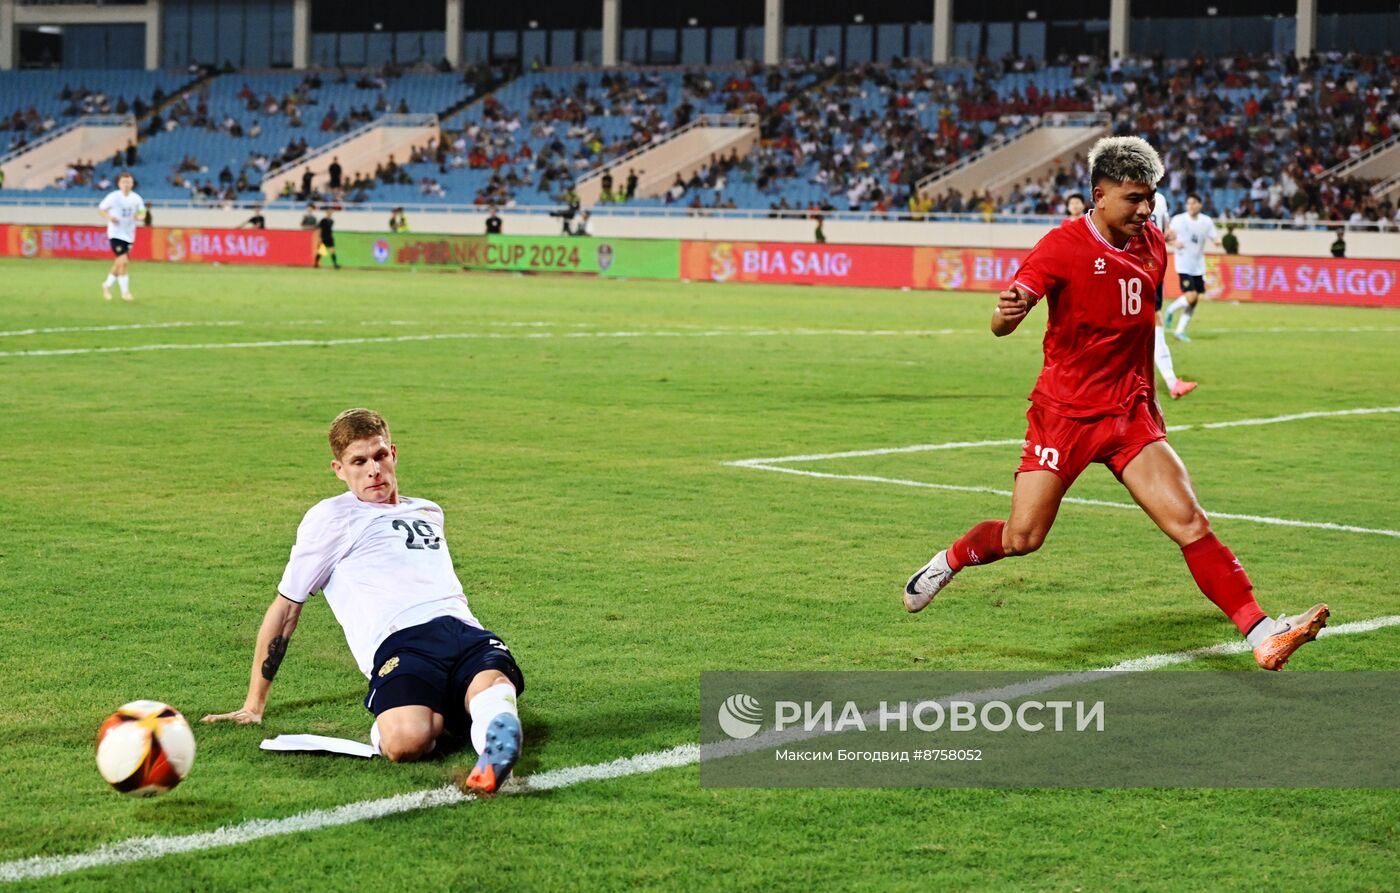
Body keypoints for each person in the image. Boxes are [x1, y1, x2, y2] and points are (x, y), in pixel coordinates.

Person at [902, 136, 1327, 672]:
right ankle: (950, 560)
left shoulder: (1152, 244)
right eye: (1133, 198)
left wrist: (1149, 399)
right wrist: (1006, 314)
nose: (1146, 209)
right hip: (1065, 416)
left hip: (1129, 415)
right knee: (1023, 537)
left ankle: (1262, 632)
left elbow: (1141, 328)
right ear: (1099, 195)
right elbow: (1001, 322)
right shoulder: (1060, 246)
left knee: (1190, 522)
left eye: (1150, 197)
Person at [202, 409, 525, 794]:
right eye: (359, 462)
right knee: (407, 743)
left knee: (492, 684)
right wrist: (254, 704)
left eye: (379, 456)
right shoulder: (332, 518)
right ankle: (448, 718)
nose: (373, 470)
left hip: (464, 631)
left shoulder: (428, 510)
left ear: (393, 453)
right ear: (339, 469)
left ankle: (494, 745)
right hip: (401, 643)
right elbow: (287, 607)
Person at [1150, 192, 1196, 399]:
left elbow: (1164, 230)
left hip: (1150, 264)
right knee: (1149, 321)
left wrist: (1170, 238)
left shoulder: (1155, 198)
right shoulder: (1155, 197)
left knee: (1151, 320)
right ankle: (1171, 381)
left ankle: (1170, 380)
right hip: (1143, 264)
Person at [1163, 193, 1221, 343]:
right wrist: (1173, 242)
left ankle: (1179, 331)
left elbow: (1214, 236)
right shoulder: (1179, 220)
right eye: (1189, 203)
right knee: (1191, 296)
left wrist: (1217, 241)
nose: (1191, 206)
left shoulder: (1206, 221)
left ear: (1200, 205)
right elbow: (1166, 235)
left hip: (1198, 266)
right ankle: (1170, 310)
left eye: (1194, 203)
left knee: (1194, 301)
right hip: (1183, 264)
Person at [97, 171, 144, 302]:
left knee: (120, 263)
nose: (126, 184)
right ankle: (125, 292)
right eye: (124, 182)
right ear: (119, 183)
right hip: (115, 233)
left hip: (129, 234)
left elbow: (142, 213)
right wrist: (109, 217)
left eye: (129, 182)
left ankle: (107, 285)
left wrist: (139, 216)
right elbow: (101, 209)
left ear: (132, 183)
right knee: (123, 261)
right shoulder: (113, 197)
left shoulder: (136, 198)